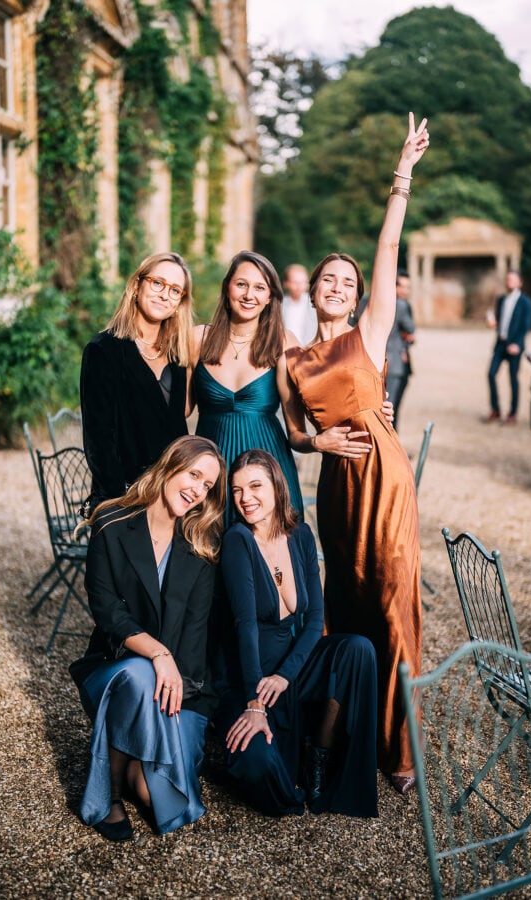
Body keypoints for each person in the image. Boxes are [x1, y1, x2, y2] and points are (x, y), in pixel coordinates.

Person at [280, 112, 429, 795]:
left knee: (393, 600)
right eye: (327, 279)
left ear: (358, 293)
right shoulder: (291, 359)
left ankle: (400, 748)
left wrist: (402, 175)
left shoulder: (369, 333)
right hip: (337, 489)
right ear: (312, 290)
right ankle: (344, 731)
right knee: (348, 602)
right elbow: (290, 431)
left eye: (347, 279)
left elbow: (388, 241)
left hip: (386, 480)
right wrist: (317, 441)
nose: (337, 285)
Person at [69, 435, 227, 841]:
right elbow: (107, 610)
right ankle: (108, 795)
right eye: (193, 474)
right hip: (114, 671)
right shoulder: (111, 523)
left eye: (207, 485)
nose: (197, 489)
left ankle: (135, 762)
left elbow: (194, 636)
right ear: (171, 465)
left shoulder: (200, 545)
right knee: (140, 673)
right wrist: (158, 654)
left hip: (181, 685)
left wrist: (177, 695)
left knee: (168, 802)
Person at [213, 449, 378, 817]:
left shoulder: (301, 534)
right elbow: (245, 626)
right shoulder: (238, 540)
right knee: (262, 770)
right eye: (237, 490)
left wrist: (287, 675)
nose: (245, 498)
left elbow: (315, 617)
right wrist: (254, 703)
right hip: (250, 672)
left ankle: (318, 758)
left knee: (357, 649)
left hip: (291, 667)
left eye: (255, 486)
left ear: (277, 486)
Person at [191, 251, 395, 522]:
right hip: (210, 465)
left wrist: (372, 405)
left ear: (270, 297)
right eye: (241, 284)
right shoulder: (198, 338)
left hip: (269, 463)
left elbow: (316, 404)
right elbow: (175, 409)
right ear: (227, 287)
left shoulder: (283, 343)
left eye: (260, 287)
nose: (249, 294)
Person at [80, 253, 193, 511]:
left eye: (175, 290)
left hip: (170, 497)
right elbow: (99, 439)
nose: (165, 295)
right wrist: (120, 500)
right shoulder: (103, 350)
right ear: (136, 286)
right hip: (124, 497)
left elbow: (177, 429)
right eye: (158, 283)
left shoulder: (177, 354)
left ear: (180, 302)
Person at [484, 269, 531, 425]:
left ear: (520, 282)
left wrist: (517, 344)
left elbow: (525, 326)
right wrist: (492, 323)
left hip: (514, 346)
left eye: (512, 279)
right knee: (491, 374)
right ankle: (495, 409)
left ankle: (512, 413)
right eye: (507, 279)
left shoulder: (526, 302)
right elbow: (498, 321)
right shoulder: (501, 299)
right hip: (500, 344)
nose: (509, 282)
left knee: (513, 379)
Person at [385, 270, 416, 432]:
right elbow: (411, 329)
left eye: (407, 287)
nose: (404, 290)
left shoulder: (373, 302)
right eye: (401, 286)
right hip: (396, 364)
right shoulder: (402, 305)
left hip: (381, 362)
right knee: (392, 410)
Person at [282, 264, 317, 346]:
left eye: (303, 282)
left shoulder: (315, 303)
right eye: (295, 282)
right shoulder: (279, 305)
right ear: (286, 283)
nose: (299, 286)